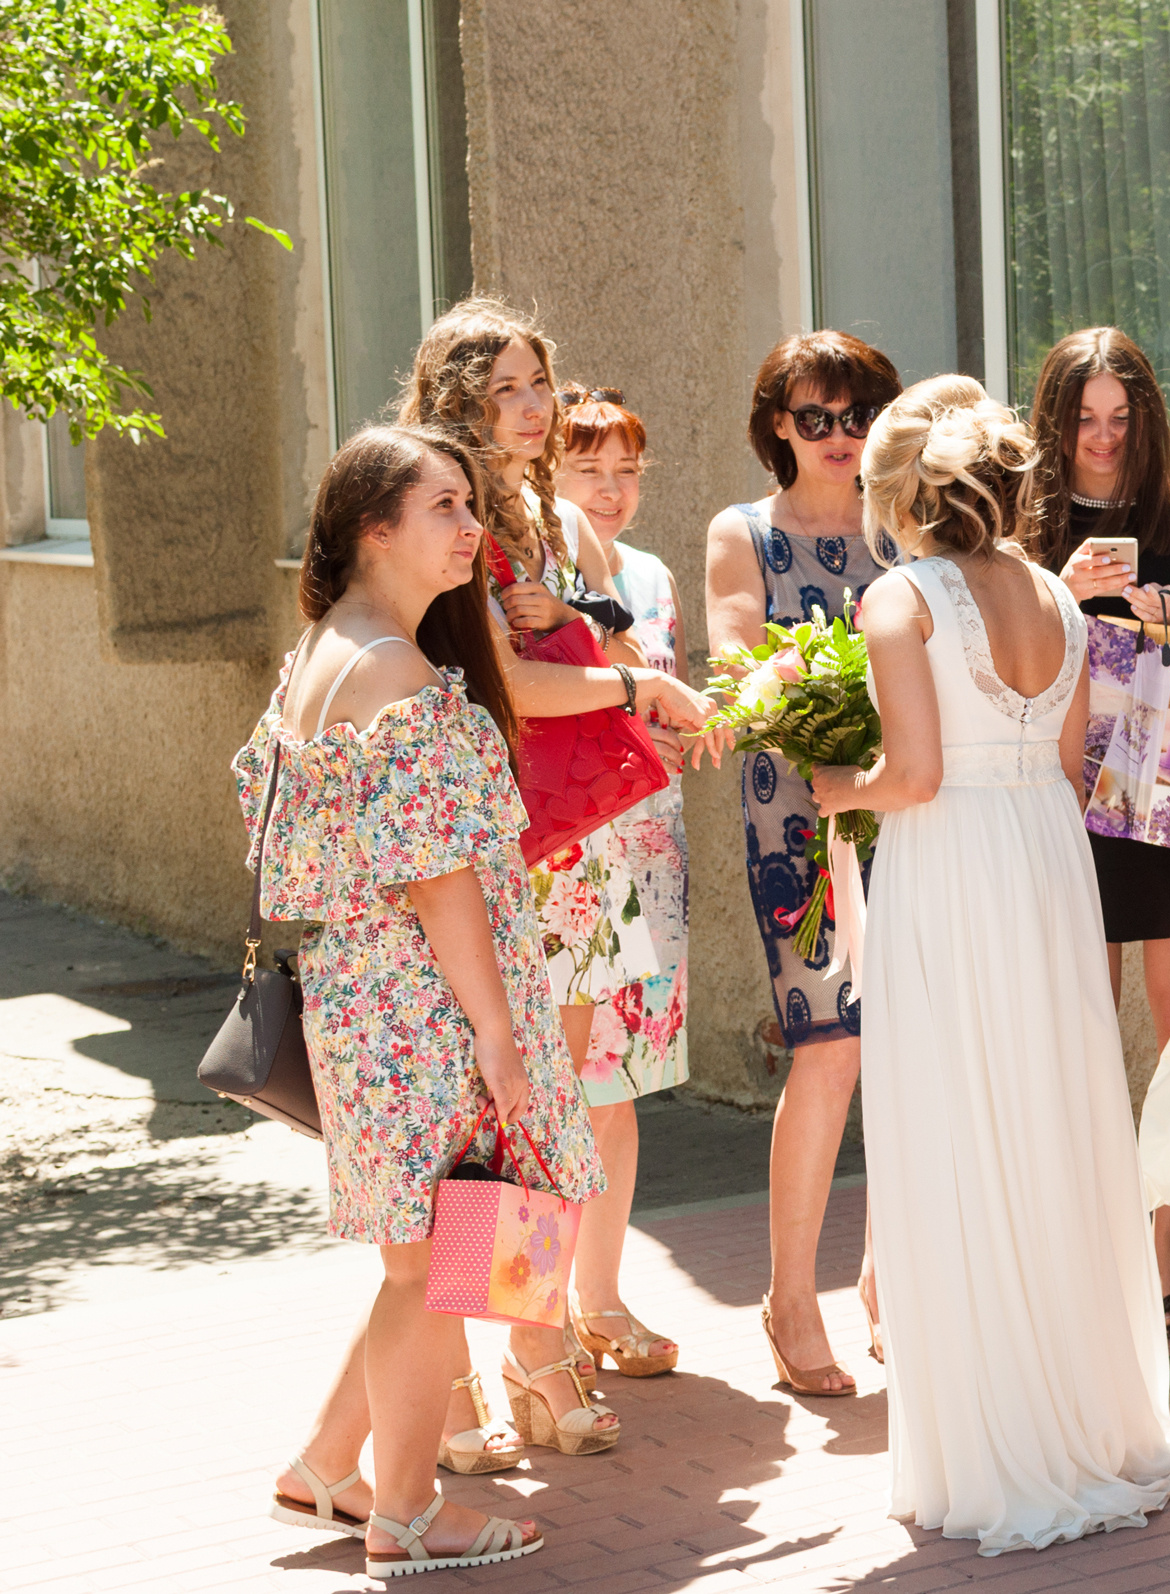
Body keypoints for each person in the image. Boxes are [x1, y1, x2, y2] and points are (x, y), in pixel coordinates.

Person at [812, 380, 1170, 1554]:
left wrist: (836, 784)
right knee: (1048, 1114)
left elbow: (915, 774)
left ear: (905, 494)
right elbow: (1073, 766)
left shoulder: (900, 598)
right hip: (1043, 857)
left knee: (958, 1117)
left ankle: (993, 1438)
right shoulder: (1055, 595)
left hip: (952, 861)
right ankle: (1083, 1411)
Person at [247, 426, 601, 1575]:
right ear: (374, 527)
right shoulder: (393, 670)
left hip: (368, 994)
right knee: (438, 1264)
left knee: (428, 1253)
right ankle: (404, 1515)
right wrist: (499, 1032)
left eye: (470, 503)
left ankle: (326, 1464)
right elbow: (436, 876)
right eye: (443, 504)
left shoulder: (328, 649)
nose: (470, 527)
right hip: (424, 1000)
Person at [399, 297, 656, 1449]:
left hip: (571, 846)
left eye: (538, 382)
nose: (533, 405)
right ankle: (465, 1368)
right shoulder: (438, 511)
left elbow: (604, 644)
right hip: (492, 850)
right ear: (456, 396)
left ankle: (532, 1340)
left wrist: (583, 629)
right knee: (487, 1119)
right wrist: (632, 685)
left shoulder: (550, 516)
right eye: (504, 387)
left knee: (545, 1116)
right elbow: (507, 687)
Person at [1025, 326, 1170, 1342]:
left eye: (1121, 417)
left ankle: (1168, 1243)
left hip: (1164, 784)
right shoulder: (1023, 517)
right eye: (1085, 419)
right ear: (1055, 421)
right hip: (1064, 788)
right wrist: (1060, 597)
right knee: (1077, 1032)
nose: (1104, 438)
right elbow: (999, 661)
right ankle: (1088, 1244)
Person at [705, 330, 902, 1398]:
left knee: (907, 1045)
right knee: (829, 1050)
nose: (840, 435)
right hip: (799, 821)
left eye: (858, 415)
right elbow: (738, 670)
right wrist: (810, 695)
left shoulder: (904, 523)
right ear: (778, 424)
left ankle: (885, 1280)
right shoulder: (744, 533)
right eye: (816, 417)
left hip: (902, 806)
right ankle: (790, 1298)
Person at [551, 385, 692, 1379]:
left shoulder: (648, 573)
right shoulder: (520, 572)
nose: (610, 489)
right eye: (588, 469)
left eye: (626, 471)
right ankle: (529, 1322)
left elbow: (655, 702)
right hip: (562, 861)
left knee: (618, 1087)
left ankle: (596, 1298)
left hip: (644, 855)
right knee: (540, 1101)